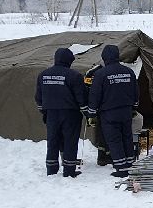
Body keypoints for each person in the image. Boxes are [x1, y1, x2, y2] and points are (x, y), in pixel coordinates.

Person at [86, 44, 139, 177]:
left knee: (114, 140)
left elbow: (95, 95)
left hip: (109, 113)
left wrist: (91, 112)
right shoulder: (129, 72)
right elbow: (135, 92)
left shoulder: (100, 74)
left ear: (104, 58)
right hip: (126, 111)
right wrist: (134, 107)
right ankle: (130, 164)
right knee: (127, 137)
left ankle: (121, 169)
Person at [35, 47, 88, 177]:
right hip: (70, 114)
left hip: (51, 114)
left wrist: (44, 111)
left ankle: (51, 169)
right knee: (70, 140)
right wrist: (87, 112)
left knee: (53, 140)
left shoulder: (43, 75)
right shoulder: (74, 76)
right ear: (69, 61)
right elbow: (81, 97)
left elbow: (38, 97)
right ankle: (69, 171)